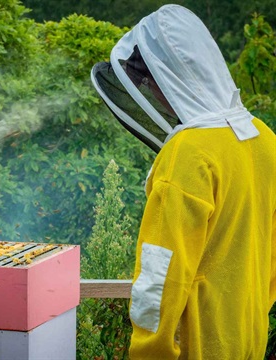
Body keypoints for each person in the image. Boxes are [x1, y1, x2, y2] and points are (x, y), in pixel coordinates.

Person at [91, 4, 276, 359]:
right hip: (248, 338)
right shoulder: (263, 138)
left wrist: (150, 352)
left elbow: (160, 272)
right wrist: (248, 312)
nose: (150, 91)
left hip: (197, 346)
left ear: (167, 76)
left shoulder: (189, 153)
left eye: (147, 80)